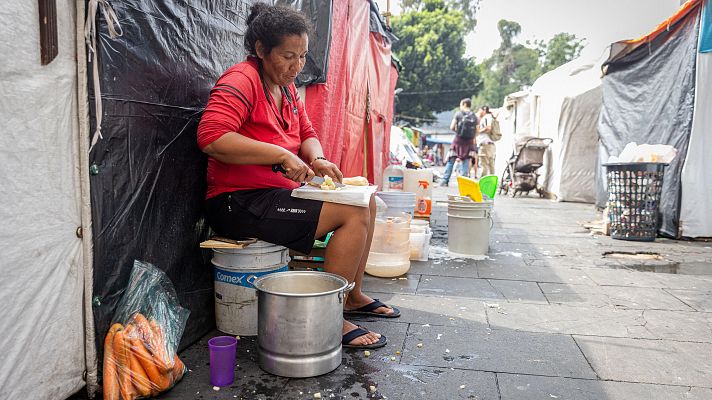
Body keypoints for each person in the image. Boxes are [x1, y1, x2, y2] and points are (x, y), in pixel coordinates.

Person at [197, 3, 398, 350]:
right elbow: (212, 138)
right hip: (237, 201)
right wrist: (280, 154)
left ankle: (352, 295)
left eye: (303, 56)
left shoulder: (287, 88)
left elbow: (306, 131)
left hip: (275, 195)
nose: (297, 66)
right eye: (288, 56)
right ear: (261, 50)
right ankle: (328, 317)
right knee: (351, 214)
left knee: (366, 201)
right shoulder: (242, 80)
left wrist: (316, 158)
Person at [440, 99, 478, 186]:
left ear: (464, 104)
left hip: (458, 140)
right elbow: (477, 130)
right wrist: (472, 137)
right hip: (469, 141)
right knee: (466, 161)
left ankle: (445, 181)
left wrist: (458, 132)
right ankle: (464, 183)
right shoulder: (474, 116)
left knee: (451, 160)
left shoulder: (458, 113)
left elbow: (452, 127)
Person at [476, 106, 496, 177]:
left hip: (485, 144)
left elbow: (489, 128)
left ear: (484, 110)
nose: (479, 112)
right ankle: (492, 183)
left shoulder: (487, 117)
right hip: (490, 144)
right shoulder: (490, 117)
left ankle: (482, 184)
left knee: (483, 164)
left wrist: (479, 131)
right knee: (491, 165)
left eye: (480, 110)